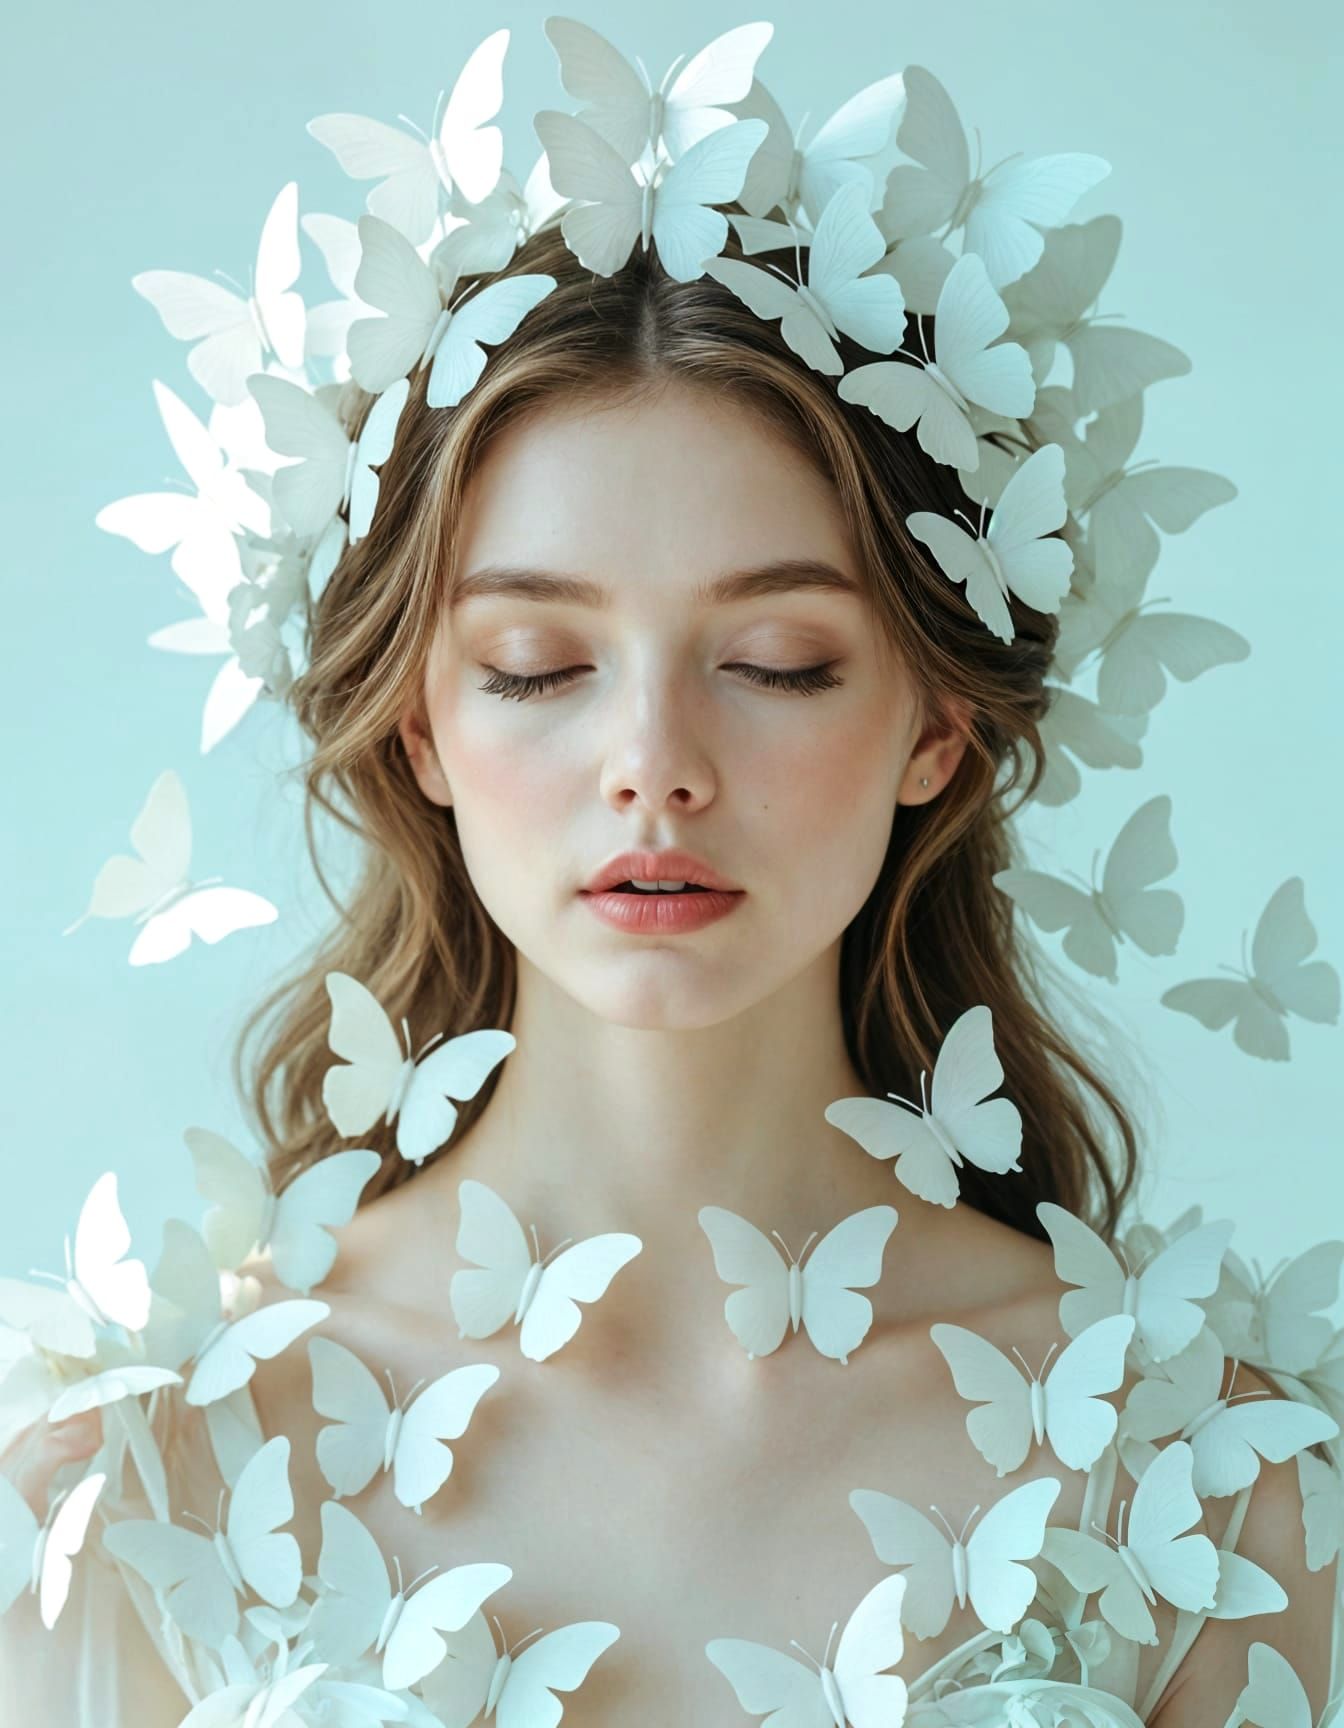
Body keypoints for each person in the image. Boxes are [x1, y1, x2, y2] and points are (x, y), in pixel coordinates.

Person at [3, 46, 1340, 1725]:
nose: (654, 764)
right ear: (419, 723)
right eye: (540, 663)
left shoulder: (1208, 1493)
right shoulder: (138, 1487)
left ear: (936, 721)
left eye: (777, 662)